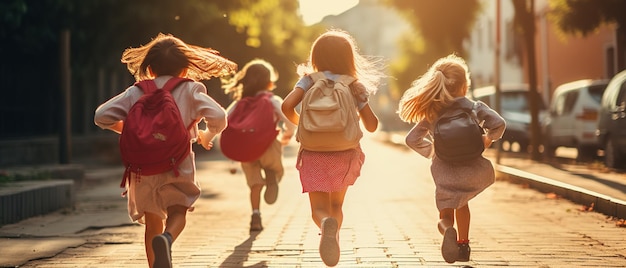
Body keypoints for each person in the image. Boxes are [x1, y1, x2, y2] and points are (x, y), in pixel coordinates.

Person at [94, 33, 237, 268]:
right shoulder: (191, 89)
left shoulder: (136, 92)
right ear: (184, 70)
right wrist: (207, 135)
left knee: (152, 222)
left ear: (149, 69)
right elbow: (220, 117)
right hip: (177, 165)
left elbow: (101, 116)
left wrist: (129, 129)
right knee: (178, 211)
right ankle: (167, 239)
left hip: (143, 169)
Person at [281, 29, 383, 267]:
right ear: (349, 58)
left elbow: (287, 106)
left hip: (314, 152)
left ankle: (325, 223)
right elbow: (372, 125)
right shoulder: (354, 85)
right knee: (337, 204)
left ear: (316, 56)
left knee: (319, 207)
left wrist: (303, 124)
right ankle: (334, 234)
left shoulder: (308, 80)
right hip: (344, 153)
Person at [397, 54, 506, 263]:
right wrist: (488, 139)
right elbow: (499, 123)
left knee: (445, 214)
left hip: (444, 172)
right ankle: (464, 247)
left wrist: (432, 151)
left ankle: (448, 230)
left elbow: (411, 139)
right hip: (471, 170)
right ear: (464, 86)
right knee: (463, 204)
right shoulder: (474, 108)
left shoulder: (432, 112)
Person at [221, 59, 296, 232]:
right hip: (269, 145)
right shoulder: (272, 100)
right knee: (276, 169)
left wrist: (208, 136)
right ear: (270, 82)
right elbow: (289, 121)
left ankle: (256, 215)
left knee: (254, 184)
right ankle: (272, 177)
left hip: (246, 149)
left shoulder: (239, 103)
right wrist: (288, 134)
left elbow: (223, 119)